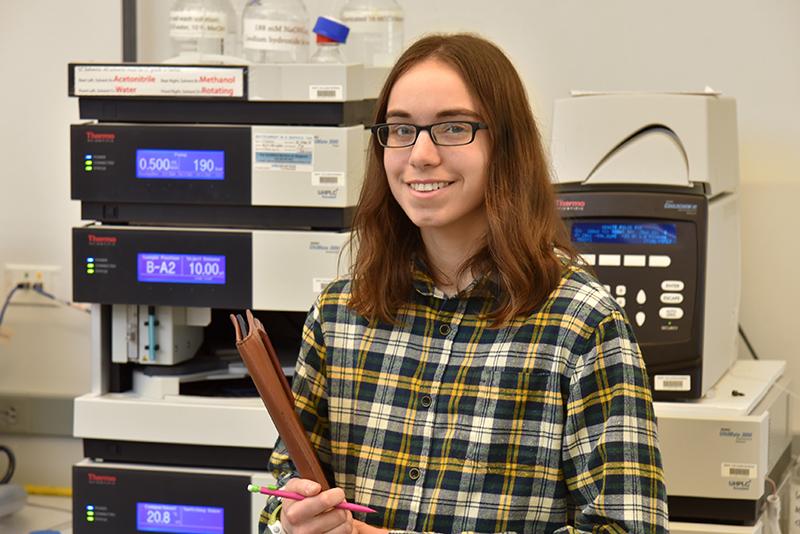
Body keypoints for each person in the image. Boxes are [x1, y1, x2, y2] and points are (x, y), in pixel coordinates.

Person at [259, 33, 668, 534]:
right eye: (401, 129)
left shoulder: (581, 323)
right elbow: (282, 490)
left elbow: (626, 527)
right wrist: (292, 521)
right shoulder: (341, 311)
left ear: (506, 146)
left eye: (453, 128)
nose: (421, 155)